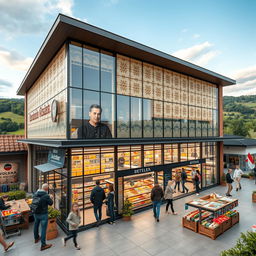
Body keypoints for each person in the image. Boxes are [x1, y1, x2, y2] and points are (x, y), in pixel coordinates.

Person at [33, 183, 53, 251]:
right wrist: (51, 197)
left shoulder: (36, 193)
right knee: (43, 229)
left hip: (36, 213)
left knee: (36, 225)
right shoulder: (46, 195)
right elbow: (51, 203)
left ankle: (36, 238)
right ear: (46, 189)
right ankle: (43, 245)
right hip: (43, 214)